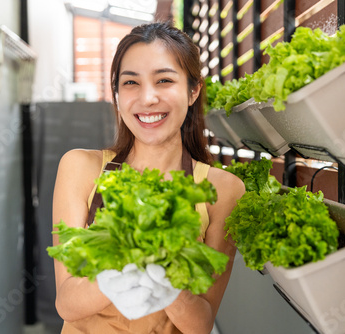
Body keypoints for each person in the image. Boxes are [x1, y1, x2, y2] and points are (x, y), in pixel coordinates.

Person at [52, 21, 245, 334]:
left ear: (193, 90)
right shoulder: (80, 168)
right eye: (131, 83)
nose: (148, 98)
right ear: (116, 92)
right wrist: (120, 275)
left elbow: (201, 324)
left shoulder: (223, 190)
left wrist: (166, 285)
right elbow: (67, 303)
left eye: (164, 80)